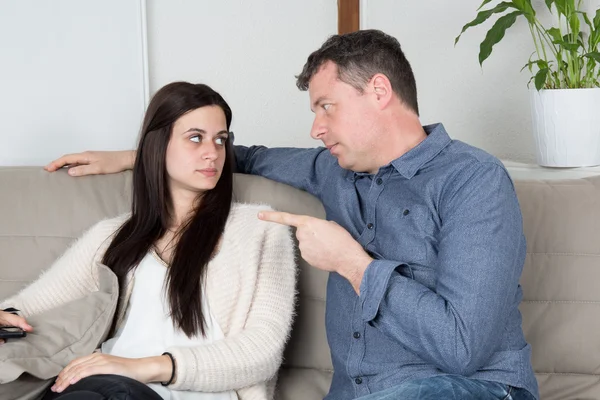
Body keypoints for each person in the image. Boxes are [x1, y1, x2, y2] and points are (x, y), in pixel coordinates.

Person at [43, 30, 539, 400]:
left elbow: (463, 347)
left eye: (326, 107)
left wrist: (353, 264)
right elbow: (242, 155)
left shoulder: (472, 180)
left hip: (470, 388)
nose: (315, 128)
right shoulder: (333, 169)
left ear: (380, 92)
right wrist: (134, 158)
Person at [1, 82, 296, 400]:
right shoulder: (114, 235)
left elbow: (262, 351)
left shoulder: (262, 230)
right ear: (158, 145)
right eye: (195, 138)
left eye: (221, 140)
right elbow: (30, 307)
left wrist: (145, 367)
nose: (212, 153)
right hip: (103, 389)